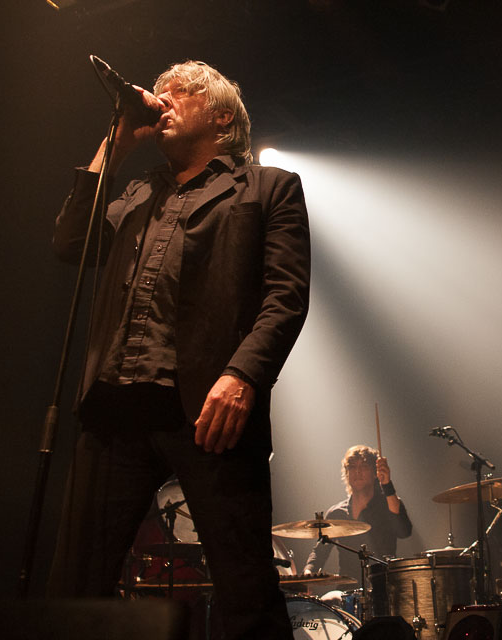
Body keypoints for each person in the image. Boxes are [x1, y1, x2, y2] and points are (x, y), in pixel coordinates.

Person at [47, 60, 310, 640]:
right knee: (73, 587)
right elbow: (71, 241)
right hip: (115, 408)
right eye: (159, 92)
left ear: (221, 117)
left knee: (246, 590)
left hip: (209, 410)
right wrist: (117, 143)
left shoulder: (268, 187)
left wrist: (243, 375)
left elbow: (285, 298)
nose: (161, 100)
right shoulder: (139, 192)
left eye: (180, 93)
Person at [303, 445, 412, 581]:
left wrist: (387, 485)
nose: (357, 471)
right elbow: (320, 552)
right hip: (347, 587)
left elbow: (404, 532)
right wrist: (308, 572)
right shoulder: (337, 513)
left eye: (364, 466)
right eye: (352, 467)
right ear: (346, 473)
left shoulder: (389, 504)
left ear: (375, 472)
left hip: (384, 585)